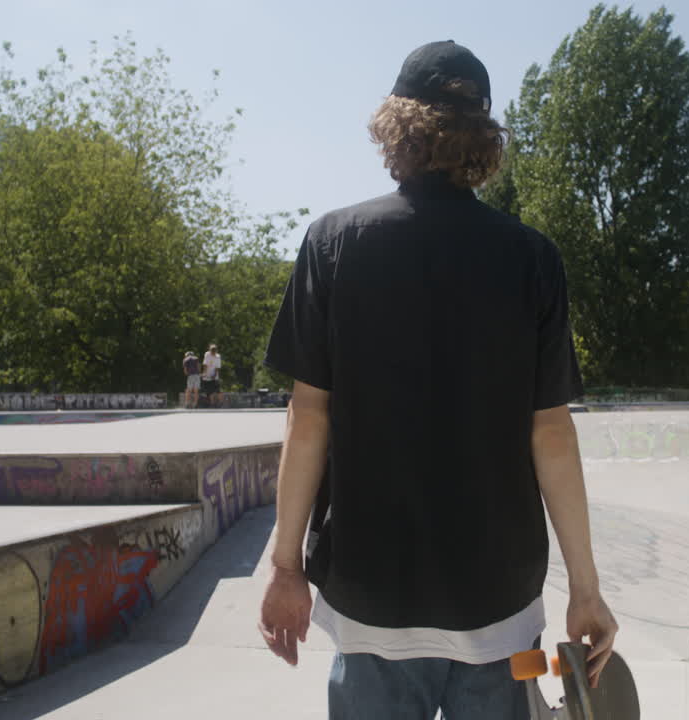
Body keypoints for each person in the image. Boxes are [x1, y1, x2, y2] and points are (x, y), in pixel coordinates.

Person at [257, 41, 618, 720]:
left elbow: (309, 418)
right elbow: (551, 433)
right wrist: (587, 589)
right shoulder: (532, 260)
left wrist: (285, 568)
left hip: (369, 606)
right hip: (502, 615)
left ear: (396, 126)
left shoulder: (333, 244)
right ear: (485, 137)